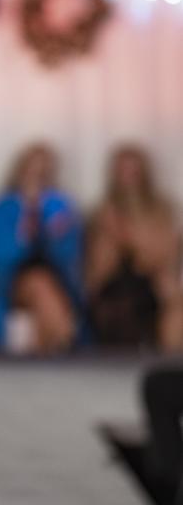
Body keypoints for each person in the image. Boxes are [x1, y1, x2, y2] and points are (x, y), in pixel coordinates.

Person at [0, 142, 85, 353]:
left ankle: (55, 345)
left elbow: (71, 255)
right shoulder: (3, 207)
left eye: (42, 172)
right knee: (39, 286)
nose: (36, 178)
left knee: (44, 288)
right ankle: (62, 341)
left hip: (57, 276)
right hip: (14, 279)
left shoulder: (61, 205)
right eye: (31, 171)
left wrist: (54, 232)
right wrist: (24, 228)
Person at [85, 143, 183, 351]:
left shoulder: (162, 210)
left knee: (174, 303)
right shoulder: (102, 214)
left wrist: (124, 233)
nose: (128, 178)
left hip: (154, 286)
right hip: (115, 290)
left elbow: (162, 257)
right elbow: (97, 274)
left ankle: (171, 365)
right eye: (123, 171)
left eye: (133, 171)